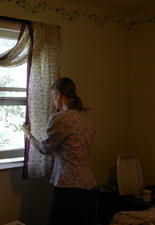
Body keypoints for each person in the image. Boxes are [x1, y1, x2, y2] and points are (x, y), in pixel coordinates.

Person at [21, 77, 97, 225]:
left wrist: (28, 134)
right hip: (89, 187)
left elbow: (44, 149)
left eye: (52, 96)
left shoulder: (60, 119)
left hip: (69, 188)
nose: (53, 101)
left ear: (59, 95)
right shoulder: (86, 118)